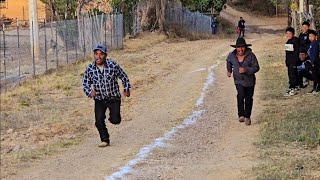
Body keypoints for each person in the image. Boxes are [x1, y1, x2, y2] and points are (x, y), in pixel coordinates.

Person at [82, 44, 131, 147]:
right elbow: (85, 84)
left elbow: (124, 77)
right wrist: (89, 92)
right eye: (96, 54)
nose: (98, 57)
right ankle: (105, 139)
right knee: (98, 120)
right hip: (99, 99)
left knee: (116, 120)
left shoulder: (113, 65)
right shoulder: (90, 69)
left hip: (113, 97)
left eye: (101, 54)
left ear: (105, 55)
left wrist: (126, 89)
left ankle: (112, 117)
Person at [227, 37, 260, 126]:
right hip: (238, 80)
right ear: (236, 48)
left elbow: (256, 67)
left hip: (249, 81)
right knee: (241, 95)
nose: (240, 49)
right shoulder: (232, 55)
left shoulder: (251, 55)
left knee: (249, 98)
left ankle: (247, 116)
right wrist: (229, 70)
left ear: (245, 47)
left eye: (242, 47)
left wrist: (246, 70)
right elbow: (228, 62)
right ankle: (241, 114)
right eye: (238, 47)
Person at [284, 27, 300, 96]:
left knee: (292, 75)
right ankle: (295, 87)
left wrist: (294, 62)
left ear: (293, 34)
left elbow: (295, 53)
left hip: (293, 62)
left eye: (290, 33)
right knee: (292, 75)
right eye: (287, 33)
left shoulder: (295, 41)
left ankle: (293, 88)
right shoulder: (288, 41)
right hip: (289, 62)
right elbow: (288, 54)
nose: (288, 35)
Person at [307, 30, 320, 94]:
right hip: (312, 62)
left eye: (312, 36)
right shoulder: (312, 43)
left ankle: (317, 89)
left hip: (315, 62)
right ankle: (314, 88)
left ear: (315, 36)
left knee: (316, 76)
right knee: (314, 75)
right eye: (309, 36)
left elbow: (315, 54)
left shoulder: (316, 43)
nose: (310, 37)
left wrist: (313, 62)